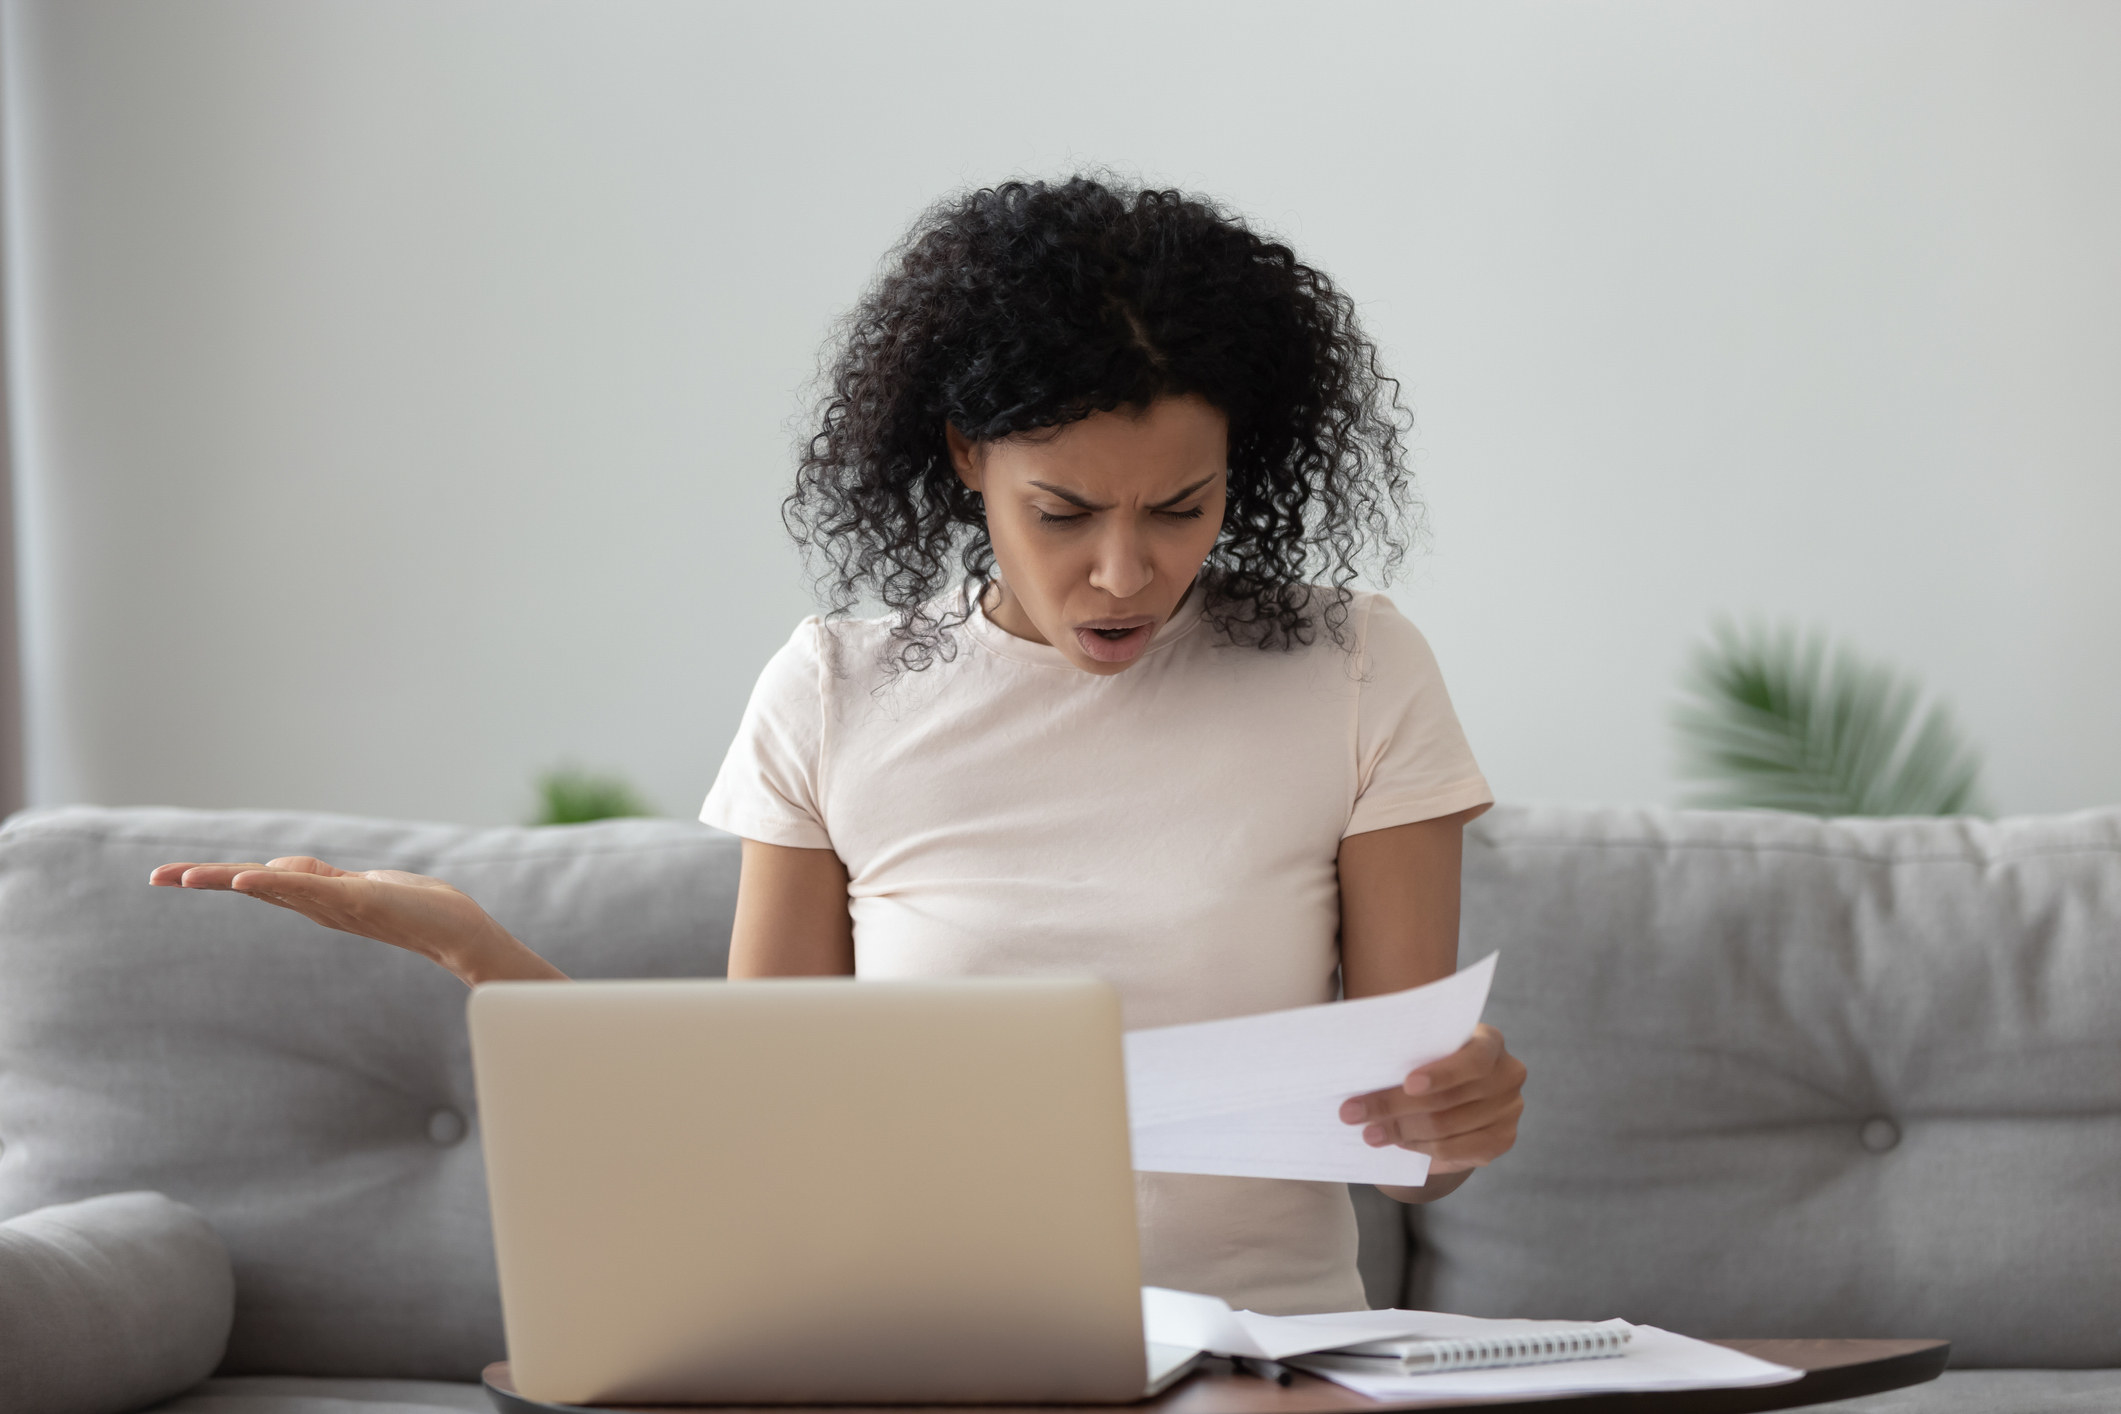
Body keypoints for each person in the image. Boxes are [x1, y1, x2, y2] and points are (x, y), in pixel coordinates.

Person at [151, 176, 1526, 1316]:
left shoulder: (1352, 665)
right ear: (964, 459)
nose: (1123, 572)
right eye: (1060, 512)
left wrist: (1454, 1115)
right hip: (914, 1352)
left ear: (1248, 468)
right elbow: (763, 1124)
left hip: (1260, 1356)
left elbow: (1416, 1154)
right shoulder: (835, 689)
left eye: (1181, 507)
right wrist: (472, 945)